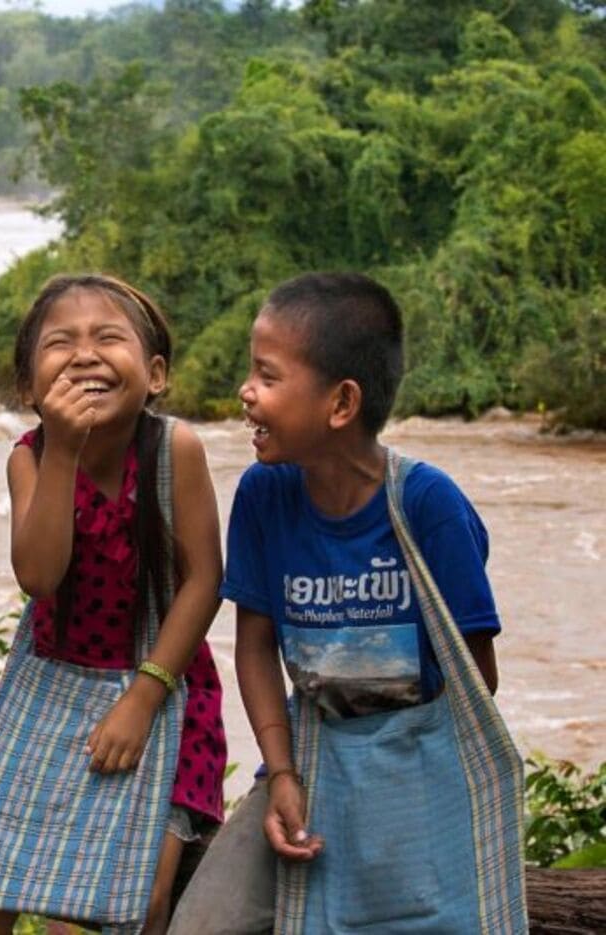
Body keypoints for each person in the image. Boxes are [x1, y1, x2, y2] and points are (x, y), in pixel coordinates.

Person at [169, 272, 519, 934]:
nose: (245, 393)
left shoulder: (426, 506)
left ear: (341, 403)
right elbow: (255, 645)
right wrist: (280, 775)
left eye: (267, 377)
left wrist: (384, 800)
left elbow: (478, 683)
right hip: (309, 751)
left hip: (416, 765)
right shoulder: (263, 496)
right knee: (204, 923)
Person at [0, 274, 226, 935]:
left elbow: (205, 579)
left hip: (161, 679)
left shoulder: (174, 448)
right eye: (60, 343)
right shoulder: (31, 459)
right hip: (47, 685)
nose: (84, 355)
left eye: (108, 338)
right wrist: (64, 451)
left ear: (154, 373)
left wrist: (144, 695)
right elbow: (39, 576)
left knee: (134, 897)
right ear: (28, 389)